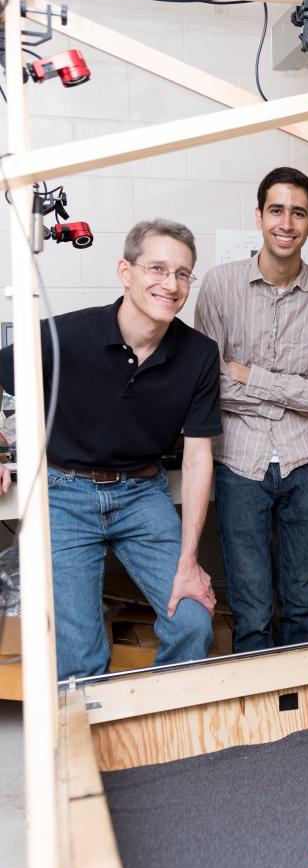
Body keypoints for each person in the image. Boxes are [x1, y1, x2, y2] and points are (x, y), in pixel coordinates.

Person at [0, 219, 221, 681]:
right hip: (63, 493)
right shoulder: (68, 335)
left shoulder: (199, 353)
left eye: (183, 273)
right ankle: (95, 746)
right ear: (125, 271)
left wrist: (189, 563)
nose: (171, 284)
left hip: (142, 494)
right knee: (80, 656)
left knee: (193, 621)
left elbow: (200, 456)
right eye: (157, 268)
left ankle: (166, 734)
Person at [194, 167, 308, 652]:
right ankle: (260, 721)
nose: (286, 222)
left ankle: (306, 720)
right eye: (277, 210)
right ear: (259, 216)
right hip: (238, 463)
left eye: (298, 213)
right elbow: (210, 386)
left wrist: (249, 375)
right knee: (254, 612)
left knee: (302, 607)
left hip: (303, 461)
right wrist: (285, 391)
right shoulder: (219, 287)